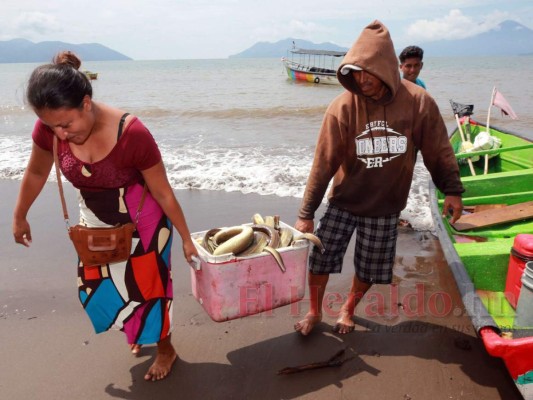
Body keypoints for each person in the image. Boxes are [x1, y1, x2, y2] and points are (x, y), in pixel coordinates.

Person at [12, 51, 199, 381]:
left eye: (66, 125)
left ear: (86, 104)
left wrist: (186, 238)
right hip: (95, 222)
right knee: (101, 286)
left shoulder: (132, 134)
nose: (61, 135)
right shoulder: (50, 129)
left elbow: (163, 191)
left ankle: (165, 348)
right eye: (52, 126)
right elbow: (37, 172)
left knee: (147, 287)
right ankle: (139, 330)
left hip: (145, 222)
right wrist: (20, 215)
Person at [293, 21, 464, 336]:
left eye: (368, 71)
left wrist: (452, 190)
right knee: (320, 259)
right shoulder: (342, 107)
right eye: (355, 71)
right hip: (343, 200)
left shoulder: (418, 102)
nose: (361, 79)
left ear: (386, 67)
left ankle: (348, 309)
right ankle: (315, 311)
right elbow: (322, 163)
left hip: (386, 206)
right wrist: (306, 214)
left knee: (369, 267)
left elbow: (438, 150)